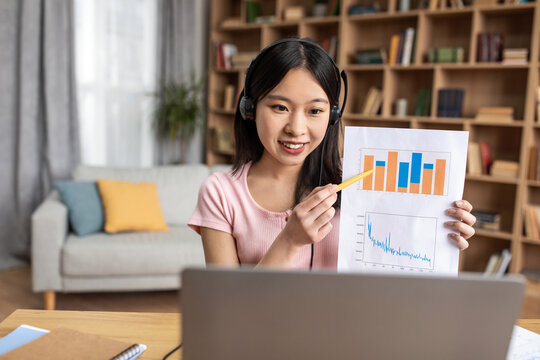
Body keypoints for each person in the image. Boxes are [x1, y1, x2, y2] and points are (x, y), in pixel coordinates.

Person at [188, 37, 476, 269]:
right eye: (279, 108)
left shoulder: (362, 179)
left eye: (315, 111)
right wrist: (289, 241)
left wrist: (440, 236)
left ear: (333, 114)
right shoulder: (220, 192)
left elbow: (400, 268)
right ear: (249, 108)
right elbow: (227, 309)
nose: (296, 128)